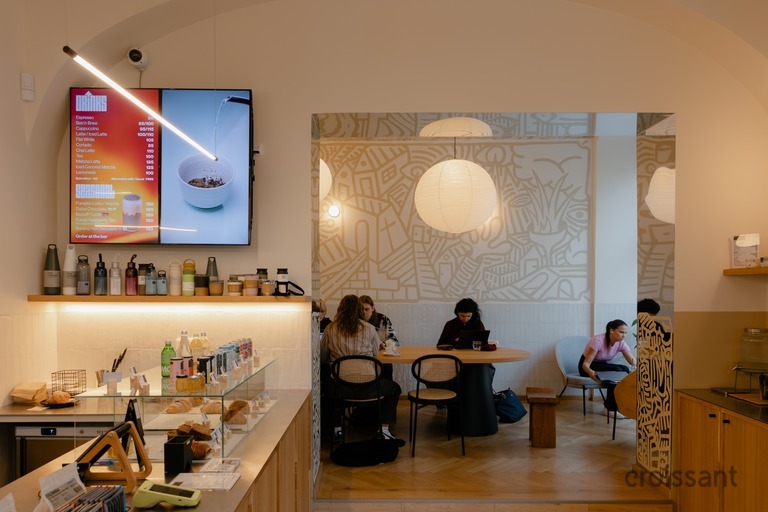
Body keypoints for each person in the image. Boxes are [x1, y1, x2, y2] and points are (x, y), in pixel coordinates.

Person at [321, 294, 401, 440]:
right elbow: (376, 353)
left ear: (340, 309)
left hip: (340, 388)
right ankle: (384, 430)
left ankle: (337, 429)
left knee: (325, 389)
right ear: (359, 310)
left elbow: (323, 356)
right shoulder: (369, 328)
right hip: (368, 387)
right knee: (394, 389)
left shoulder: (330, 328)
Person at [580, 319, 637, 417]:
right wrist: (590, 372)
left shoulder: (621, 342)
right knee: (617, 371)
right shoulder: (598, 340)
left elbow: (632, 360)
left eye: (625, 333)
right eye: (621, 332)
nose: (623, 335)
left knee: (625, 370)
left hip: (601, 365)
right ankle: (609, 409)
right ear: (611, 331)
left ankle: (618, 405)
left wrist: (639, 366)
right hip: (587, 367)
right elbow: (585, 364)